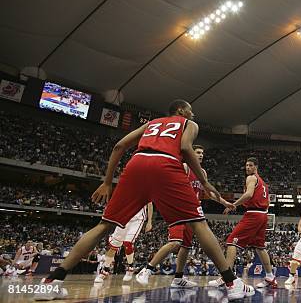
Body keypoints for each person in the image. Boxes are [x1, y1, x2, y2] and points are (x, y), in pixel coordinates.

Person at [35, 99, 253, 301]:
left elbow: (119, 146)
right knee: (199, 223)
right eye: (190, 110)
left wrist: (107, 181)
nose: (193, 114)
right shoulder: (188, 124)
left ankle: (51, 282)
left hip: (136, 164)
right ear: (180, 111)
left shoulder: (152, 124)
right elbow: (186, 148)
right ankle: (231, 282)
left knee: (103, 226)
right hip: (166, 165)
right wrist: (205, 183)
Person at [136, 144, 227, 288]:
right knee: (175, 243)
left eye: (202, 153)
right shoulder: (184, 167)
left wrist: (225, 203)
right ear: (191, 153)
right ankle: (147, 269)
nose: (201, 155)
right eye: (197, 152)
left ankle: (178, 278)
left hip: (193, 211)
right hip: (179, 209)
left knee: (185, 246)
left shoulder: (202, 172)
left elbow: (208, 193)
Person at [208, 157, 277, 289]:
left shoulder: (251, 178)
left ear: (256, 167)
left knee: (231, 242)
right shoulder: (263, 183)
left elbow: (249, 194)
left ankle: (226, 277)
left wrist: (233, 205)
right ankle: (270, 277)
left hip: (254, 214)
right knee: (260, 247)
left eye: (250, 165)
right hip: (263, 215)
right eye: (246, 165)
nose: (247, 168)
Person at [94, 203, 153, 283]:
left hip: (137, 219)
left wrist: (149, 221)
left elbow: (150, 204)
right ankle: (105, 270)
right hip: (123, 218)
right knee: (113, 247)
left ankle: (130, 268)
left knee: (128, 243)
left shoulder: (146, 190)